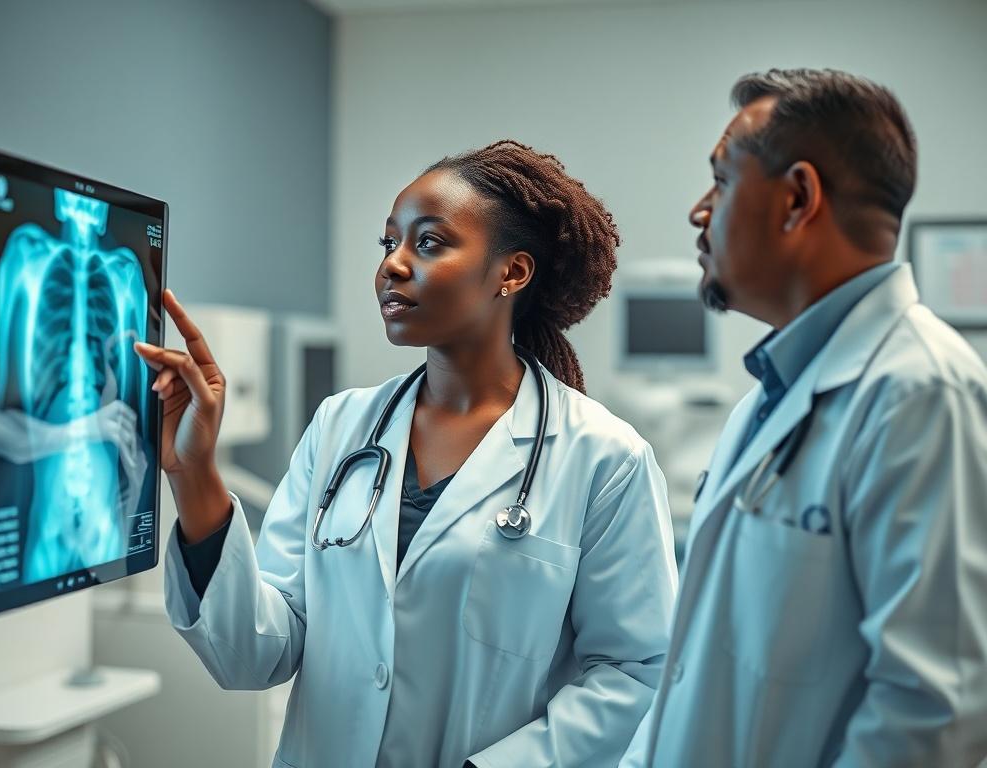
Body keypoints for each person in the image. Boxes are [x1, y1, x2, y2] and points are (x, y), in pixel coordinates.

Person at [135, 140, 678, 768]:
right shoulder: (343, 426)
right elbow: (254, 654)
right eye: (388, 243)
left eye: (428, 243)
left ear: (513, 272)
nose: (392, 265)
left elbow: (635, 672)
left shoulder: (604, 458)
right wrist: (194, 472)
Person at [622, 69, 987, 767]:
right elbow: (695, 669)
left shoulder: (918, 393)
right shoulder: (770, 398)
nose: (701, 211)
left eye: (721, 181)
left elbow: (931, 712)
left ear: (797, 199)